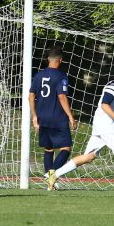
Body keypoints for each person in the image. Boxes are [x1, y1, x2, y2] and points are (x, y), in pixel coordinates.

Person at [48, 60, 114, 196]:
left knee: (89, 156)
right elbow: (104, 105)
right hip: (106, 124)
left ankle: (55, 174)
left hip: (101, 123)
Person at [28, 45, 77, 189]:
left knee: (49, 149)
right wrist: (70, 116)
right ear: (60, 60)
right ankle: (52, 175)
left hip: (43, 117)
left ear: (48, 59)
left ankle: (50, 183)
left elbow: (31, 97)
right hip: (57, 117)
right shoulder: (61, 76)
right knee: (66, 148)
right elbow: (62, 97)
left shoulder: (39, 75)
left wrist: (34, 116)